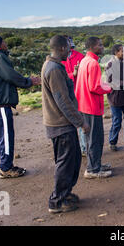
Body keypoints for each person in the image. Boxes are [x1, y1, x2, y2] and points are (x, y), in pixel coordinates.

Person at [41, 35, 90, 214]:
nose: (71, 50)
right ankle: (56, 201)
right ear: (62, 48)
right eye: (69, 47)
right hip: (60, 125)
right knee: (65, 163)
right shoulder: (54, 69)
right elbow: (63, 101)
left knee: (73, 160)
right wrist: (80, 122)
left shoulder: (52, 65)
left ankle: (65, 194)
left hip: (60, 124)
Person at [0, 35, 40, 179]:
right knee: (6, 135)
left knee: (3, 135)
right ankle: (6, 168)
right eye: (3, 41)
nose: (6, 43)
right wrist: (29, 82)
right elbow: (11, 76)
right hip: (1, 103)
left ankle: (7, 165)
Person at [76, 37, 113, 179]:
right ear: (92, 47)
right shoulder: (93, 63)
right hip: (91, 106)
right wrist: (109, 88)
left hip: (83, 105)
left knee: (91, 138)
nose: (102, 47)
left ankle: (96, 164)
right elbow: (94, 87)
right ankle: (93, 169)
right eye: (100, 45)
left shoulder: (85, 61)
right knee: (95, 139)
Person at [60, 36, 87, 156]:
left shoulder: (80, 56)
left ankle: (84, 148)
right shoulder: (58, 59)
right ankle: (71, 149)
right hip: (65, 95)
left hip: (79, 93)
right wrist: (73, 74)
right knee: (67, 124)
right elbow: (59, 77)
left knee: (81, 120)